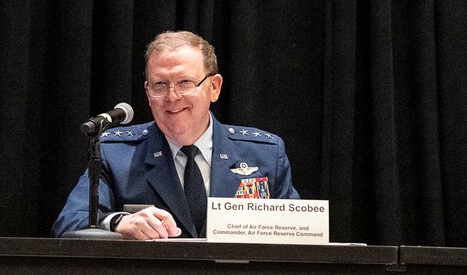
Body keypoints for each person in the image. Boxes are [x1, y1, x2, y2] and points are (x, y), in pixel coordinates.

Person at [53, 30, 299, 239]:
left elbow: (300, 234)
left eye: (185, 83)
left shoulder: (263, 155)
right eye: (160, 84)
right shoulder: (117, 154)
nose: (172, 97)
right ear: (148, 93)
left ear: (214, 88)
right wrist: (118, 222)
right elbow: (68, 224)